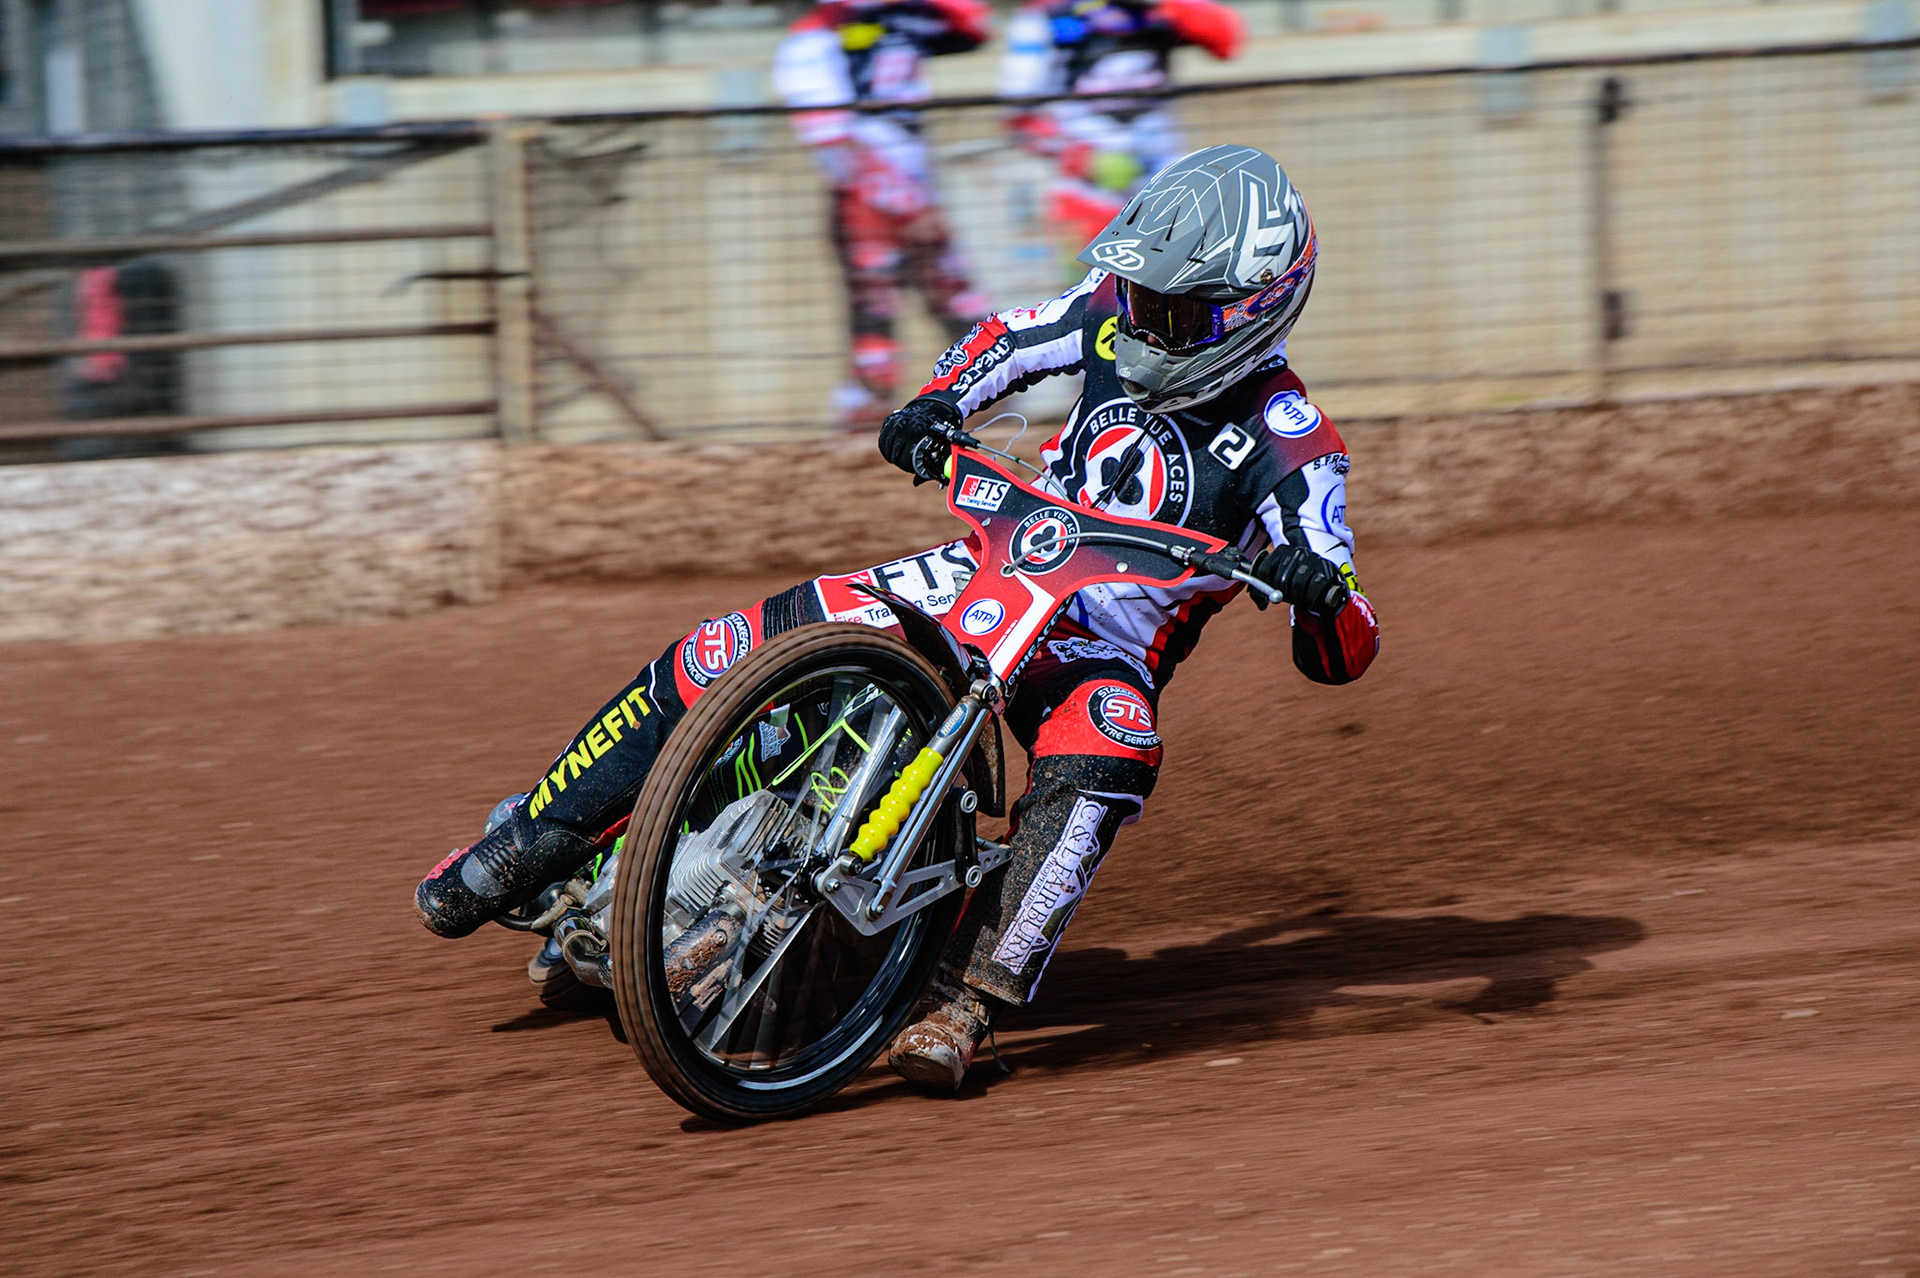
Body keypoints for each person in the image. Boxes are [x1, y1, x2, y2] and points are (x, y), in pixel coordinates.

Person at [415, 146, 1379, 1092]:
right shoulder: (1105, 316)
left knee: (1111, 750)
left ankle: (967, 999)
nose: (1142, 323)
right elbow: (1003, 338)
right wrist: (935, 402)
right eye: (1139, 298)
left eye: (1174, 312)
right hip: (982, 566)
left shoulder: (1294, 445)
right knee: (740, 641)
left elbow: (1345, 640)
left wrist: (1317, 596)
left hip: (1097, 649)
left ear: (1252, 312)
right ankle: (523, 843)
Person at [773, 0, 994, 428]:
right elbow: (828, 137)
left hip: (914, 183)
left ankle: (986, 403)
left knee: (958, 299)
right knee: (876, 301)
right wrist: (896, 200)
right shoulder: (814, 36)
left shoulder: (903, 19)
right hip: (865, 194)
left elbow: (975, 24)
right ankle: (867, 416)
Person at [999, 0, 1243, 274]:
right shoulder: (1044, 17)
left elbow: (1227, 40)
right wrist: (1082, 159)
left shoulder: (1157, 9)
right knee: (1094, 304)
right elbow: (1019, 118)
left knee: (1188, 297)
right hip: (1087, 195)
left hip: (1166, 190)